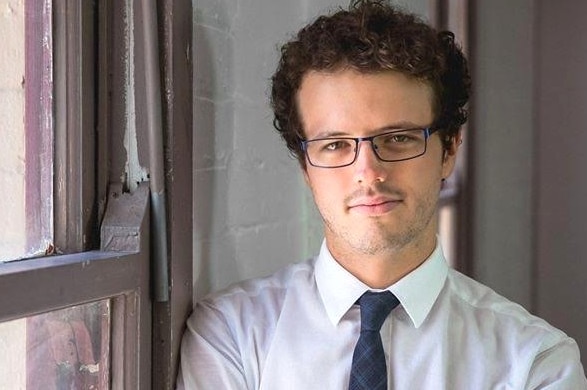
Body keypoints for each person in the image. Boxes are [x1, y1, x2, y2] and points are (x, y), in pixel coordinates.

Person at [177, 1, 587, 388]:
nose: (368, 172)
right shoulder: (232, 336)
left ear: (449, 151)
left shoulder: (535, 362)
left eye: (398, 138)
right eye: (335, 145)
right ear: (305, 166)